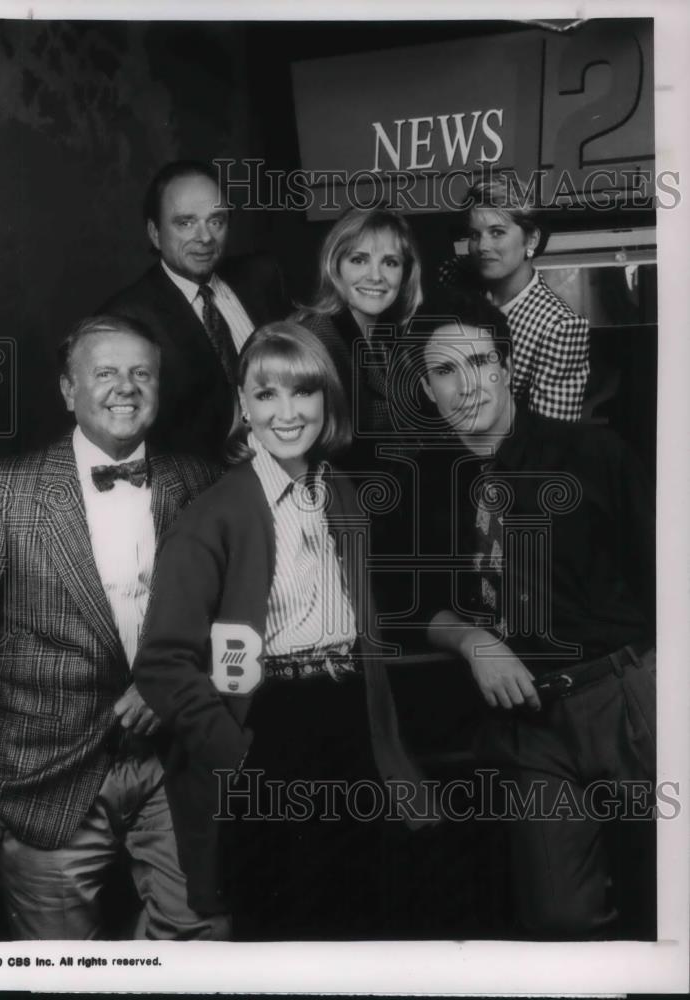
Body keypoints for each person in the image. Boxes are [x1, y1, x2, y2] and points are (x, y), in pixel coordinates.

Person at [132, 321, 429, 940]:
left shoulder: (344, 492)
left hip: (352, 720)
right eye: (267, 395)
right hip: (269, 731)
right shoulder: (214, 514)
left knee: (366, 918)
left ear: (328, 400)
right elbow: (163, 661)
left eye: (303, 393)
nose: (287, 413)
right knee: (288, 925)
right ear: (243, 405)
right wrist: (237, 755)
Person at [0, 315, 223, 940]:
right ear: (67, 390)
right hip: (43, 779)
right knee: (60, 971)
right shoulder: (0, 493)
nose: (125, 388)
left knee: (203, 945)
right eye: (105, 373)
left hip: (175, 769)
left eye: (141, 373)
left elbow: (237, 622)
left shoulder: (202, 483)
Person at [417, 290, 655, 939]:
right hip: (528, 728)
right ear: (426, 386)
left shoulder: (593, 455)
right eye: (444, 371)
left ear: (506, 363)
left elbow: (665, 575)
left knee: (663, 896)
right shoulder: (427, 487)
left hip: (626, 695)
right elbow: (404, 607)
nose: (464, 385)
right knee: (558, 920)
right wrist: (470, 640)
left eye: (477, 361)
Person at [101, 159, 288, 459]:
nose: (205, 237)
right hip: (205, 493)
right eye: (185, 222)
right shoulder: (126, 319)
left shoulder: (261, 277)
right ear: (154, 232)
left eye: (216, 221)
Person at [435, 177, 589, 421]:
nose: (482, 246)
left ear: (531, 240)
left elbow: (548, 442)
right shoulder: (452, 275)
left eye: (497, 232)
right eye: (475, 235)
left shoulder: (559, 327)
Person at [294, 206, 423, 463]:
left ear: (405, 274)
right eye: (359, 260)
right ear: (335, 266)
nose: (375, 276)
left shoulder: (390, 338)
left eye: (390, 262)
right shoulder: (314, 340)